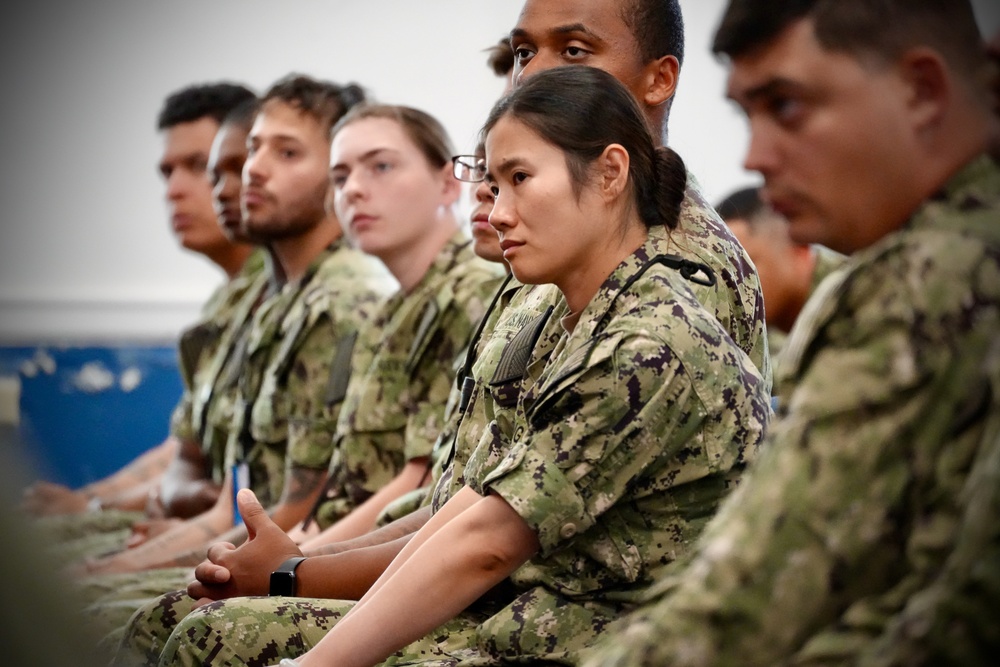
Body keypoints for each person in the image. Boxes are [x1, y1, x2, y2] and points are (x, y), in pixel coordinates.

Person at [114, 1, 774, 662]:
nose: (528, 75)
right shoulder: (558, 284)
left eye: (572, 51)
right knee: (183, 619)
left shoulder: (665, 305)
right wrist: (296, 563)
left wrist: (298, 577)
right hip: (501, 601)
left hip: (581, 628)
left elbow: (489, 535)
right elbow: (469, 497)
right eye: (520, 53)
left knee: (209, 636)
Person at [578, 0, 1000, 665]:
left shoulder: (929, 275)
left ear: (922, 90)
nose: (756, 155)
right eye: (748, 113)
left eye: (788, 106)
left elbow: (748, 601)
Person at [113, 103, 506, 665]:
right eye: (342, 177)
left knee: (184, 624)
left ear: (448, 182)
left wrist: (294, 567)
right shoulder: (393, 311)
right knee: (159, 611)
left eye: (381, 167)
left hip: (439, 580)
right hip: (372, 549)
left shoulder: (465, 295)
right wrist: (289, 561)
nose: (355, 192)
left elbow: (421, 486)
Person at [21, 82, 262, 552]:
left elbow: (230, 483)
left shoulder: (291, 299)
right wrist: (90, 499)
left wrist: (94, 508)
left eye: (200, 167)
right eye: (167, 172)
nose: (175, 190)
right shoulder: (229, 301)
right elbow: (186, 446)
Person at [715, 185, 845, 372]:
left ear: (800, 246)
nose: (732, 287)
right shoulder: (751, 331)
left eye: (745, 268)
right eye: (722, 275)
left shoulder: (865, 293)